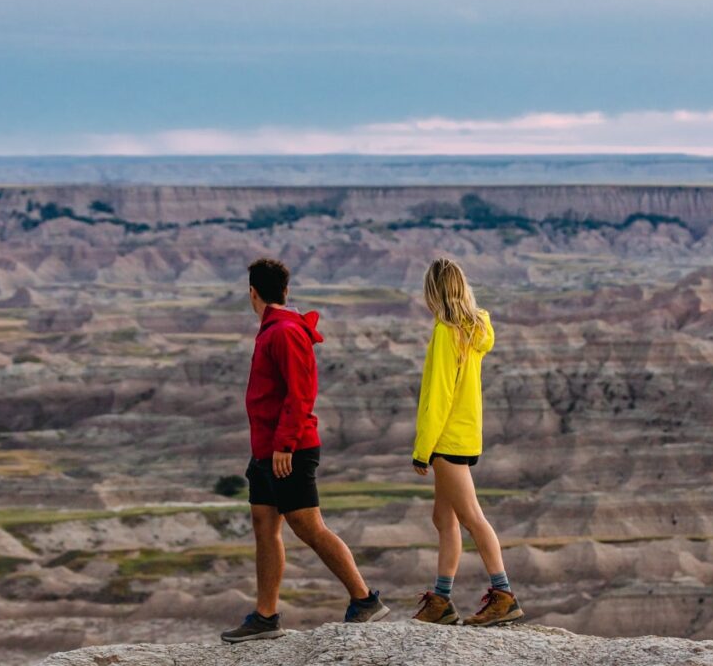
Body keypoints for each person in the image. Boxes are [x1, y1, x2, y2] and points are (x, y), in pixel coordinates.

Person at [221, 257, 389, 643]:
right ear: (285, 290)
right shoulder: (274, 330)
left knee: (309, 527)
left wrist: (284, 445)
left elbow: (301, 394)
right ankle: (265, 616)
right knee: (265, 527)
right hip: (265, 450)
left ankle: (364, 600)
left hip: (288, 450)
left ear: (252, 293)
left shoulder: (283, 333)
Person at [411, 256, 524, 627]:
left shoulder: (446, 333)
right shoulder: (473, 330)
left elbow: (439, 396)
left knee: (471, 517)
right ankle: (441, 600)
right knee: (443, 518)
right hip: (464, 435)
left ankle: (504, 595)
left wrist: (422, 449)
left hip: (448, 440)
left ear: (433, 292)